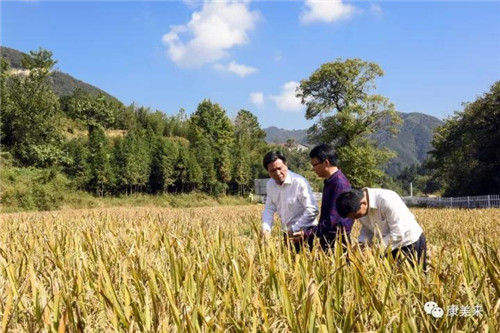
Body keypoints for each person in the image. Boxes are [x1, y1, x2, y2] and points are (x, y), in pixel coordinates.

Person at [336, 188, 427, 270]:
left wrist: (372, 250)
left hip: (409, 243)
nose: (356, 219)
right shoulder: (359, 207)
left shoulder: (386, 200)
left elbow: (398, 233)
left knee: (414, 281)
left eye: (357, 216)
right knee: (391, 282)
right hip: (386, 246)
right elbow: (367, 229)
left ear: (363, 203)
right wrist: (361, 245)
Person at [261, 151, 319, 252]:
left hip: (305, 232)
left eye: (279, 168)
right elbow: (269, 208)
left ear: (286, 164)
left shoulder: (299, 182)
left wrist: (295, 228)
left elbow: (312, 209)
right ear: (268, 172)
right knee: (291, 264)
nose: (277, 173)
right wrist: (266, 228)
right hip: (287, 232)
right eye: (272, 170)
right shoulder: (270, 185)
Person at [309, 144, 354, 252]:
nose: (313, 169)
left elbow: (333, 219)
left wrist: (308, 233)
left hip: (336, 240)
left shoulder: (339, 183)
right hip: (329, 237)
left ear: (326, 162)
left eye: (315, 165)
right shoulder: (331, 182)